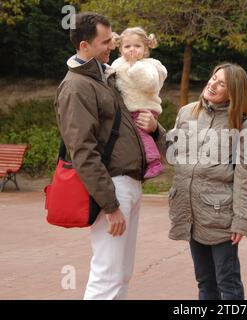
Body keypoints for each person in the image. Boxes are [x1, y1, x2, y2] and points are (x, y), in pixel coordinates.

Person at [55, 12, 160, 300]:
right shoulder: (77, 86)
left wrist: (155, 128)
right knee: (107, 274)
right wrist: (110, 204)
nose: (111, 46)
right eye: (105, 42)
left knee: (121, 272)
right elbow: (82, 151)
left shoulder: (104, 76)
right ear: (84, 46)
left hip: (128, 184)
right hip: (112, 188)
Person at [166, 63, 247, 300]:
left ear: (233, 92)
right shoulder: (187, 112)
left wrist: (241, 220)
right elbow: (172, 152)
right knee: (205, 282)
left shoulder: (242, 126)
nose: (212, 84)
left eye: (221, 83)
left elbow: (245, 178)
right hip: (192, 214)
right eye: (213, 78)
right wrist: (156, 130)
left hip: (221, 217)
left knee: (227, 282)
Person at [111, 27, 167, 178]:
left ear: (146, 48)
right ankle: (140, 164)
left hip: (144, 108)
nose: (132, 50)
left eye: (137, 46)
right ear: (120, 49)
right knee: (131, 139)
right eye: (127, 46)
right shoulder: (117, 63)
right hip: (127, 109)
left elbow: (150, 84)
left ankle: (154, 162)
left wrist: (135, 65)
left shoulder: (151, 65)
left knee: (141, 134)